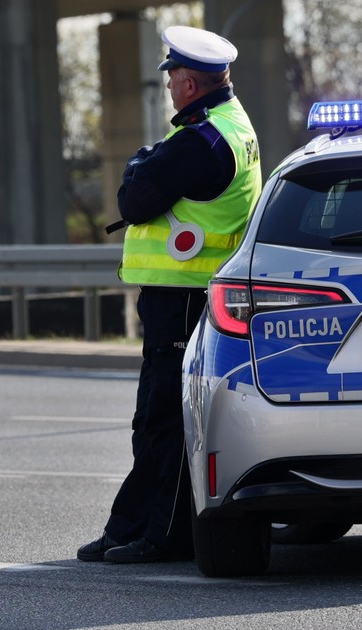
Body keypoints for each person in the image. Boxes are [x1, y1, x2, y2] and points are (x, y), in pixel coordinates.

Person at [78, 25, 262, 564]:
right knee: (154, 419)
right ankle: (130, 524)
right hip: (182, 295)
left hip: (183, 294)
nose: (168, 87)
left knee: (166, 420)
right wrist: (148, 162)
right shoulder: (229, 124)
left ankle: (168, 535)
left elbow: (133, 199)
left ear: (187, 82)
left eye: (171, 78)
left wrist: (140, 162)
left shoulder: (204, 139)